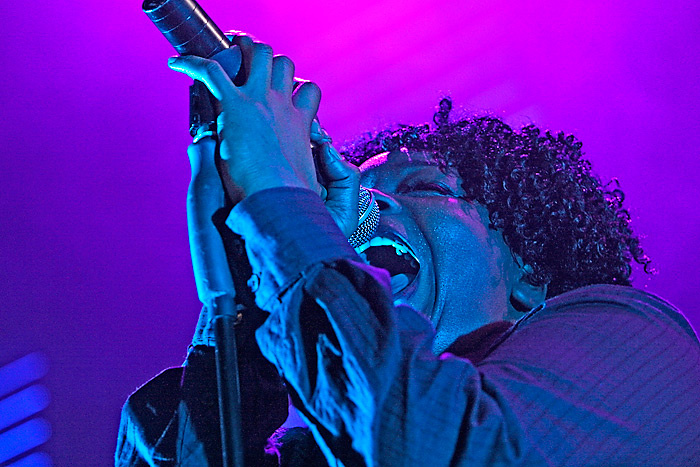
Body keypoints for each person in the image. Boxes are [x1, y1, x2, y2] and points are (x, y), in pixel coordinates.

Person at [116, 35, 700, 466]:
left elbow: (443, 448)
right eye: (364, 194)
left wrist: (278, 192)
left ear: (527, 271)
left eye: (425, 187)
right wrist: (255, 288)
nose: (369, 206)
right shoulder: (323, 447)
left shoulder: (641, 342)